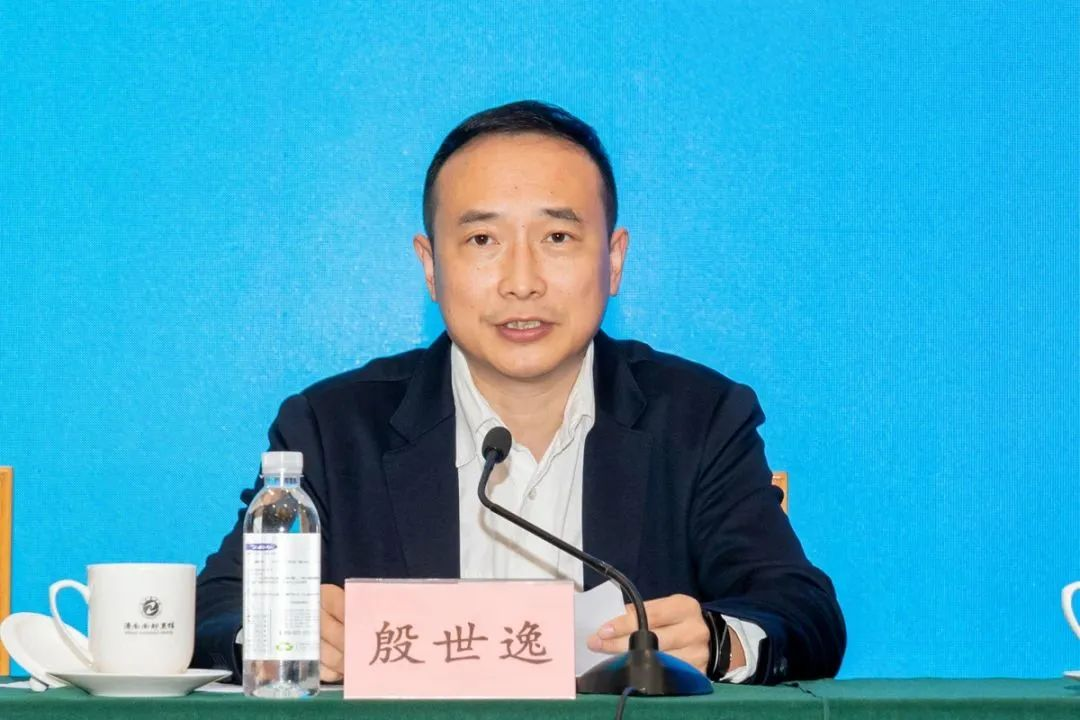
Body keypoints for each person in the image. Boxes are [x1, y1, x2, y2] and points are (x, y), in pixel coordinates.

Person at [194, 100, 845, 685]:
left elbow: (799, 608)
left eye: (557, 237)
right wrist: (282, 637)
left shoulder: (698, 419)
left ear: (613, 259)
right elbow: (217, 611)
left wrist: (720, 640)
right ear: (431, 266)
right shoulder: (332, 429)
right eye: (482, 240)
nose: (522, 281)